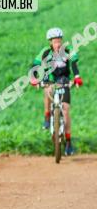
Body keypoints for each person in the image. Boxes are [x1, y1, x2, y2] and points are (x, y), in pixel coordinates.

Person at [30, 27, 82, 156]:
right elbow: (35, 65)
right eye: (55, 41)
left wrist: (76, 77)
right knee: (47, 88)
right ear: (50, 42)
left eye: (59, 41)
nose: (57, 44)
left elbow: (74, 64)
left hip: (64, 80)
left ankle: (69, 142)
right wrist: (34, 78)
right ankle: (47, 116)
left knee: (65, 109)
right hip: (50, 79)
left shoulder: (68, 51)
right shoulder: (45, 52)